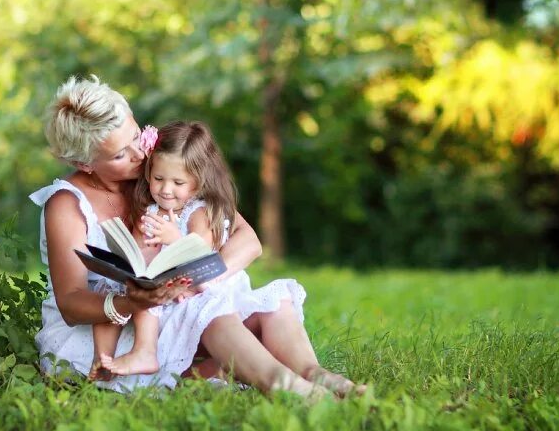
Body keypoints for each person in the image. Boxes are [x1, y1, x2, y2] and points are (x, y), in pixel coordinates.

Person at [31, 76, 364, 396]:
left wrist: (202, 274)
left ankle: (318, 376)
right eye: (120, 154)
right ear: (83, 163)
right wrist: (134, 301)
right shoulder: (66, 204)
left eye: (136, 136)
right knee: (208, 309)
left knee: (267, 307)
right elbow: (72, 304)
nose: (138, 154)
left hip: (169, 307)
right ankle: (287, 387)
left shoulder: (158, 174)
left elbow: (247, 239)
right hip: (103, 329)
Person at [94, 120, 308, 380]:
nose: (166, 189)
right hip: (168, 292)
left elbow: (201, 253)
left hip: (202, 289)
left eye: (178, 182)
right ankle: (135, 352)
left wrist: (174, 238)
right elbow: (141, 252)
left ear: (197, 183)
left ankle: (152, 353)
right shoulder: (149, 211)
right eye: (159, 178)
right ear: (149, 173)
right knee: (126, 287)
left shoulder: (200, 211)